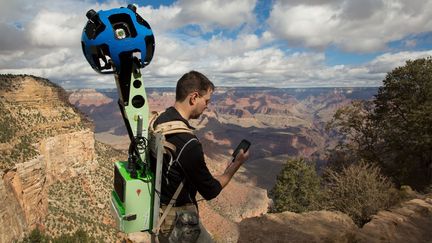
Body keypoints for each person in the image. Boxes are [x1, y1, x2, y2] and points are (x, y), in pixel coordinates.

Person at [152, 70, 249, 243]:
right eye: (206, 101)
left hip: (157, 211)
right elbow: (210, 190)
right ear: (193, 97)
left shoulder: (159, 120)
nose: (207, 106)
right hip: (177, 220)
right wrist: (235, 166)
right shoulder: (188, 143)